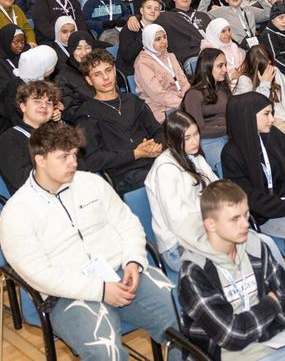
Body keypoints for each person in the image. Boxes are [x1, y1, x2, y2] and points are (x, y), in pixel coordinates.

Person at [0, 121, 179, 361]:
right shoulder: (16, 212)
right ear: (40, 160)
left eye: (74, 154)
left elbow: (128, 223)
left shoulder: (92, 183)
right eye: (63, 157)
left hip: (123, 273)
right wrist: (100, 290)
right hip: (68, 294)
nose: (73, 163)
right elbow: (38, 274)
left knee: (187, 324)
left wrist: (134, 261)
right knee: (106, 354)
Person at [178, 179, 285, 361]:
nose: (245, 224)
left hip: (279, 344)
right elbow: (232, 336)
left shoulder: (255, 245)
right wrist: (272, 303)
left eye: (246, 214)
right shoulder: (194, 271)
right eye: (235, 219)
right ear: (210, 224)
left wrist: (252, 330)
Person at [221, 92, 285, 239]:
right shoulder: (231, 154)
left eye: (272, 113)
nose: (272, 119)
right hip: (265, 215)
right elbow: (251, 199)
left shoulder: (272, 134)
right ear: (248, 117)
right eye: (266, 114)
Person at [76, 49, 164, 195]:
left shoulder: (132, 101)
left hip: (155, 162)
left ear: (115, 70)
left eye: (108, 70)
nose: (106, 77)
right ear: (89, 80)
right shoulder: (87, 114)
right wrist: (135, 154)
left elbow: (159, 131)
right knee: (162, 179)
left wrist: (156, 145)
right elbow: (93, 159)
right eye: (98, 74)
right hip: (125, 175)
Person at [144, 111, 219, 273]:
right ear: (174, 140)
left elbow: (217, 189)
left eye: (196, 134)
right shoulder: (165, 169)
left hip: (206, 231)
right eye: (187, 138)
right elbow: (177, 221)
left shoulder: (195, 157)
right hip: (178, 246)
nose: (195, 141)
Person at [0, 80, 62, 195]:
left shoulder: (59, 134)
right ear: (23, 106)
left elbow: (81, 166)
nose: (44, 105)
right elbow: (24, 181)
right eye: (37, 101)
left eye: (49, 102)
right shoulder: (9, 140)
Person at [234, 45, 285, 140]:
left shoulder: (275, 70)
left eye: (270, 64)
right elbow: (253, 110)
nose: (269, 69)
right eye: (265, 67)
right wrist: (264, 84)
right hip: (271, 126)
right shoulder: (245, 80)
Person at [134, 24, 188, 124]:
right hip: (159, 106)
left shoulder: (170, 56)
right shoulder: (142, 63)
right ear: (149, 41)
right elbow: (157, 93)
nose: (163, 41)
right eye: (158, 39)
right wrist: (183, 103)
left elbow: (183, 81)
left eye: (164, 37)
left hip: (181, 100)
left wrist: (188, 98)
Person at [156, 0, 211, 64]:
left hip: (213, 53)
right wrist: (134, 17)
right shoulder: (165, 17)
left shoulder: (203, 15)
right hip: (191, 58)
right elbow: (147, 16)